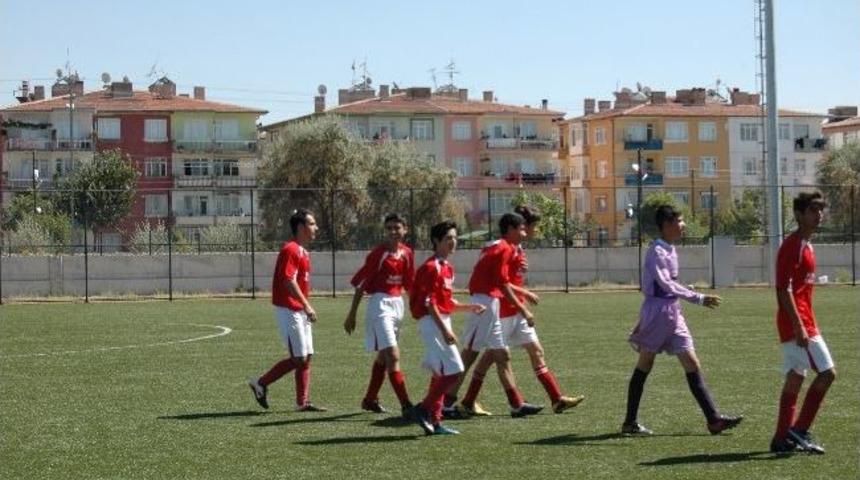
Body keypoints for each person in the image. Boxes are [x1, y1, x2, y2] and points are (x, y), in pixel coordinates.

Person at [622, 205, 741, 435]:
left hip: (672, 312)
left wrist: (686, 292)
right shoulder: (656, 251)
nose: (683, 224)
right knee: (645, 364)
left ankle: (714, 420)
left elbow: (669, 285)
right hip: (658, 313)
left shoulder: (670, 248)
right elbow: (665, 284)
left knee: (691, 363)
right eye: (680, 220)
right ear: (667, 225)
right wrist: (697, 297)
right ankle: (629, 422)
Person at [456, 205, 585, 416]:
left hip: (515, 308)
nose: (533, 230)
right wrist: (524, 297)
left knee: (535, 351)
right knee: (491, 357)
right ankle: (466, 400)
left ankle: (556, 399)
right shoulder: (502, 247)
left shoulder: (515, 248)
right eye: (531, 226)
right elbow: (501, 281)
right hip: (504, 309)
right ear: (518, 226)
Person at [444, 213, 543, 418]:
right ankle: (445, 403)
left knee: (502, 355)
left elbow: (497, 279)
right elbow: (502, 283)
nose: (524, 233)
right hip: (484, 303)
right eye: (521, 229)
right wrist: (523, 309)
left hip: (490, 302)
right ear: (510, 229)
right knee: (469, 354)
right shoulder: (503, 248)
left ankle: (516, 404)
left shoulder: (496, 245)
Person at [770, 192, 833, 455]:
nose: (818, 215)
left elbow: (799, 290)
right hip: (797, 323)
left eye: (820, 210)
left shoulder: (807, 245)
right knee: (828, 373)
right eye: (812, 210)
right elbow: (782, 289)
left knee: (796, 376)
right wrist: (799, 325)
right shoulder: (792, 245)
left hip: (803, 320)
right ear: (798, 215)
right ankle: (800, 429)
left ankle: (781, 438)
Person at [410, 221, 486, 435]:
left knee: (440, 373)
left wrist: (469, 307)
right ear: (436, 241)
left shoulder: (447, 268)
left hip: (441, 320)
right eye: (448, 239)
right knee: (455, 370)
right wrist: (445, 330)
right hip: (432, 323)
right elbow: (428, 304)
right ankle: (423, 409)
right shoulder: (430, 267)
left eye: (455, 238)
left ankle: (435, 421)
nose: (453, 242)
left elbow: (446, 302)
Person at [248, 209, 327, 412]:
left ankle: (302, 402)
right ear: (301, 227)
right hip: (289, 310)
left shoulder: (303, 252)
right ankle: (261, 383)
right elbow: (288, 280)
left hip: (299, 310)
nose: (316, 227)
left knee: (306, 356)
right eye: (312, 224)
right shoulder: (291, 249)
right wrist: (307, 305)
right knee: (298, 358)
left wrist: (305, 306)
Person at [344, 213, 415, 417]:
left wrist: (419, 308)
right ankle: (406, 405)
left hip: (397, 305)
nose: (393, 231)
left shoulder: (408, 253)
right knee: (393, 355)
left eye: (397, 227)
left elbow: (410, 285)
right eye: (389, 228)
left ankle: (369, 400)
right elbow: (361, 284)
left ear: (405, 229)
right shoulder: (378, 254)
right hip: (380, 305)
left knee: (384, 357)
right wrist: (352, 314)